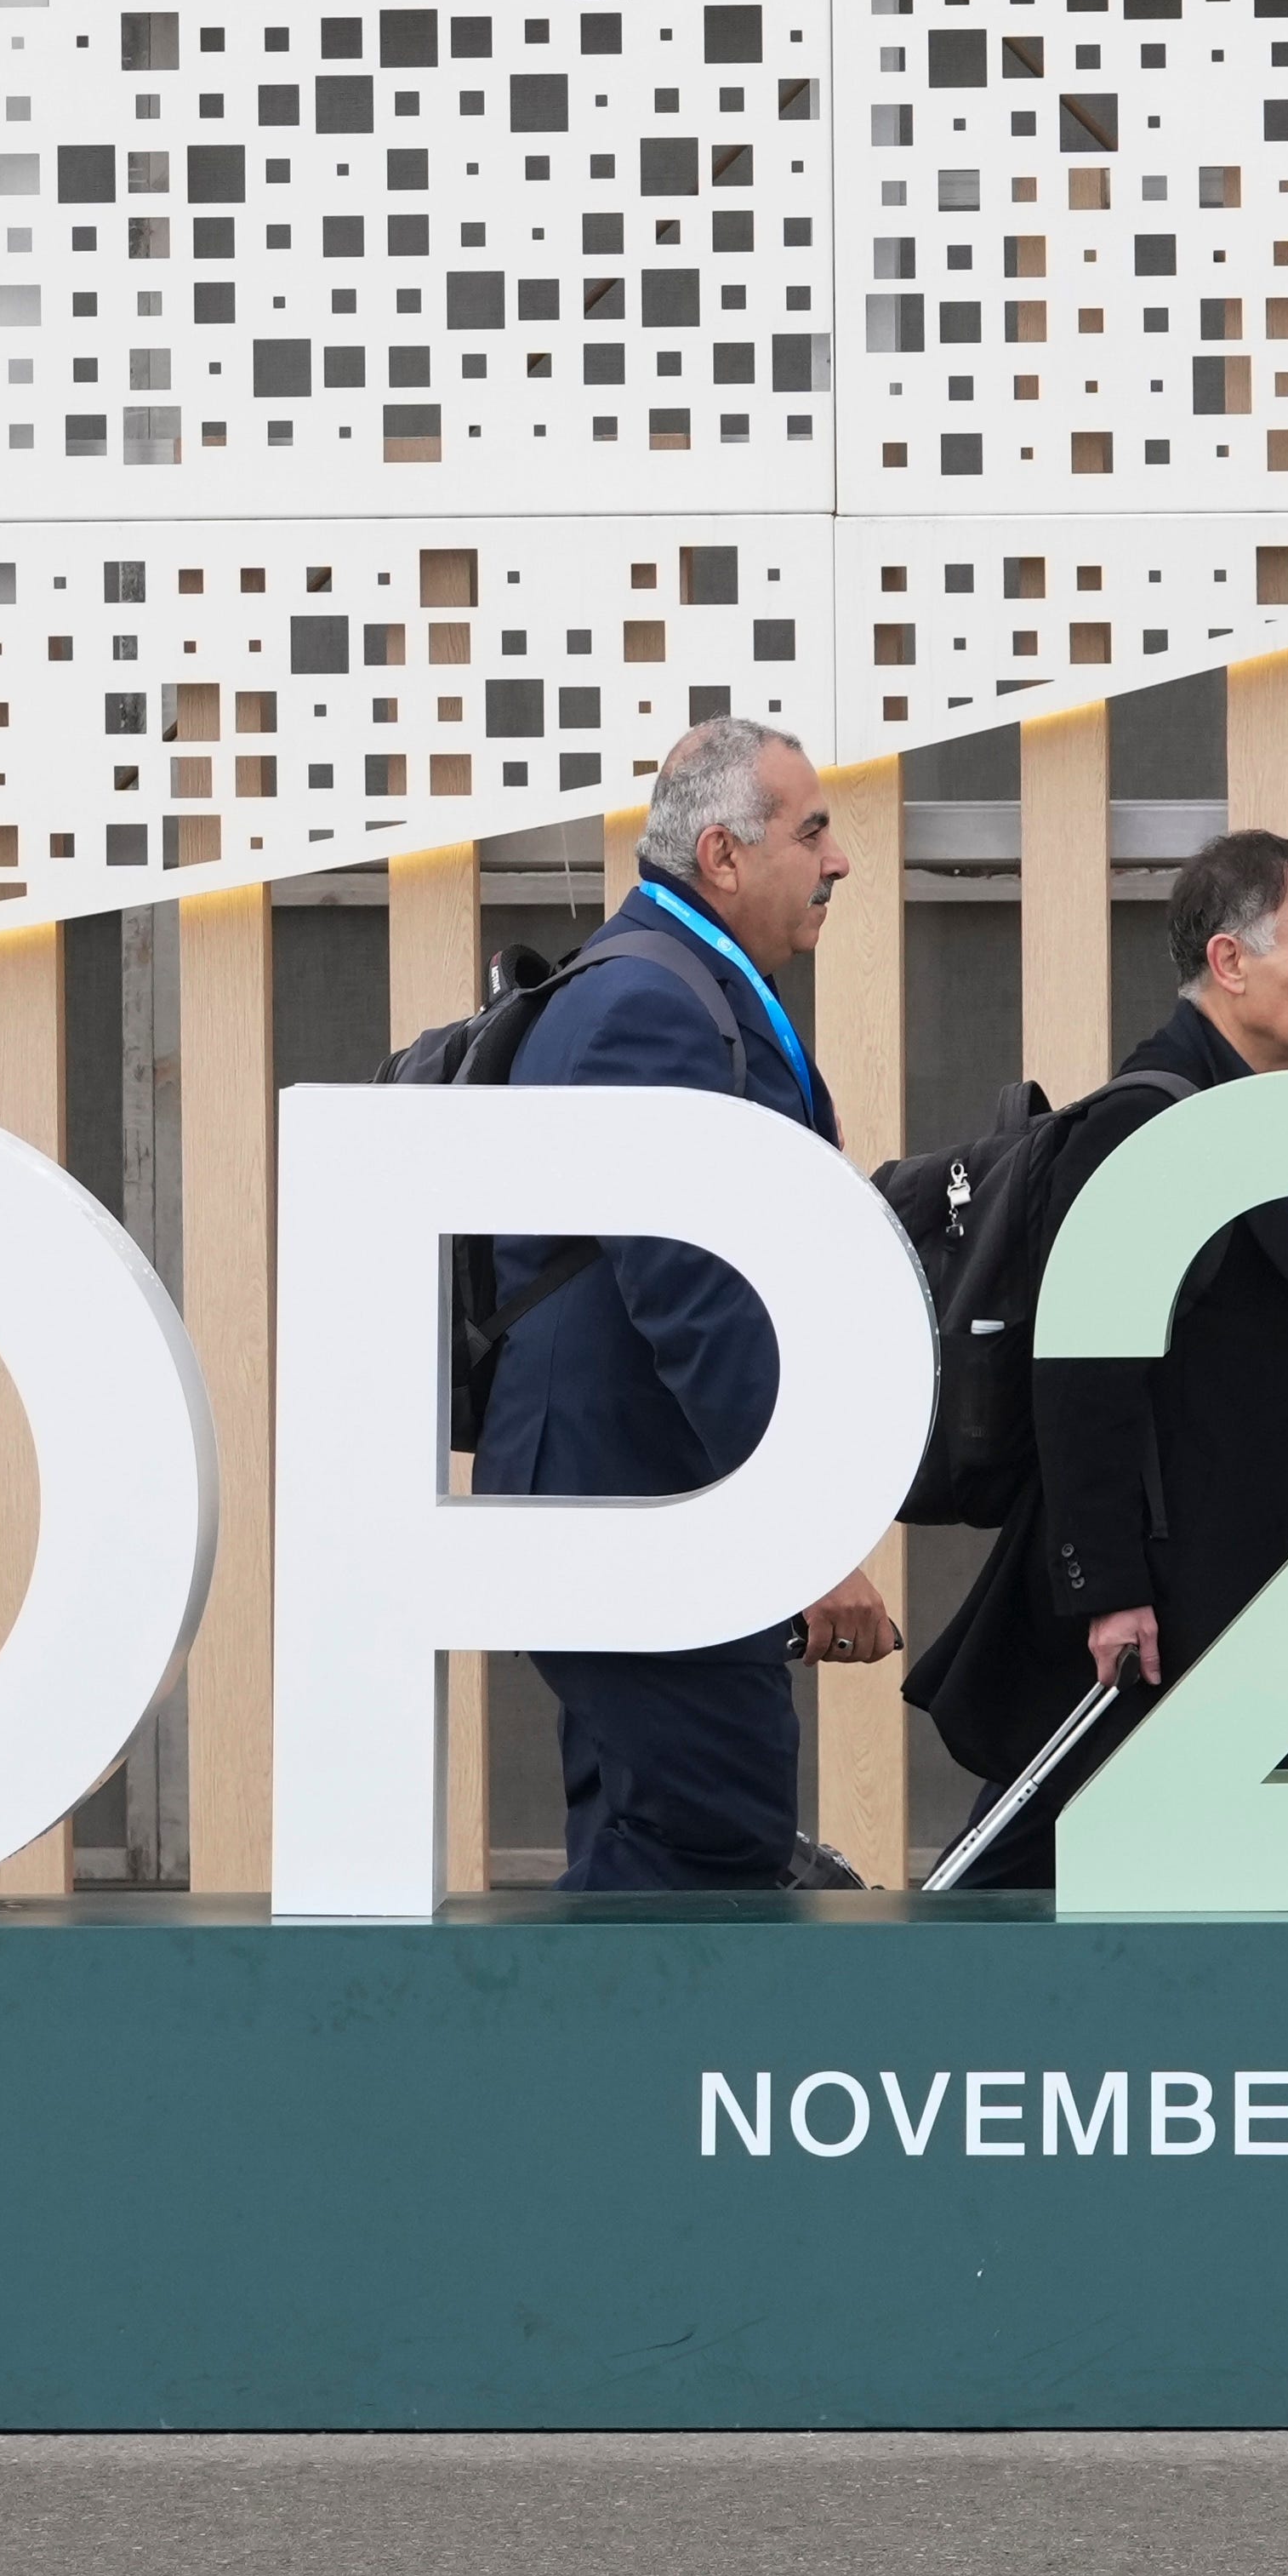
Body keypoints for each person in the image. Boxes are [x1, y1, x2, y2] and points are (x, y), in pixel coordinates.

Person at [908, 826, 1288, 1885]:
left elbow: (1259, 1294)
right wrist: (1110, 1589)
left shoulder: (1253, 1106)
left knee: (1038, 1858)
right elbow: (1083, 1380)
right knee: (1037, 1864)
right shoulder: (1148, 1121)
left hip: (1224, 1595)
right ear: (1230, 961)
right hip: (1170, 1606)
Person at [476, 711, 903, 1889]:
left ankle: (584, 2074)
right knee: (708, 1846)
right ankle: (634, 2074)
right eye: (811, 830)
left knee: (644, 1841)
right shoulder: (649, 1007)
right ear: (720, 855)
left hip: (628, 1499)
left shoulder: (673, 985)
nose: (839, 860)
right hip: (640, 1507)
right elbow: (694, 1289)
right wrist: (802, 1531)